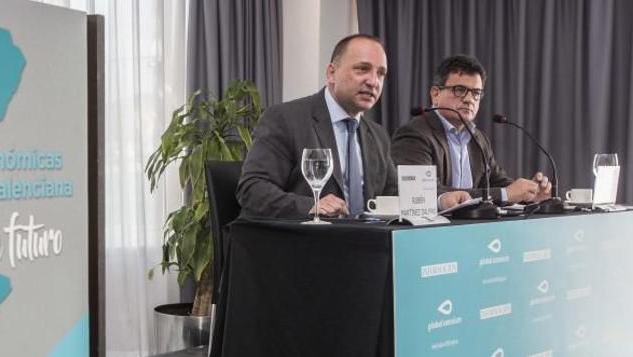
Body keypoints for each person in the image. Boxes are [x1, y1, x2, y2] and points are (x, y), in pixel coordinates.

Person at [236, 35, 469, 219]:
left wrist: (442, 200)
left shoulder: (376, 134)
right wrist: (312, 206)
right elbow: (252, 189)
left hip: (360, 248)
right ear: (331, 73)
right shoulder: (285, 119)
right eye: (362, 69)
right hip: (299, 251)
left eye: (381, 73)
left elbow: (396, 192)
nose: (373, 81)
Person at [391, 54, 552, 203]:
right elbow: (420, 193)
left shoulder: (478, 139)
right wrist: (505, 194)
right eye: (459, 90)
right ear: (435, 94)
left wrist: (530, 193)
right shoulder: (415, 134)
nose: (469, 99)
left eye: (476, 93)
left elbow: (497, 182)